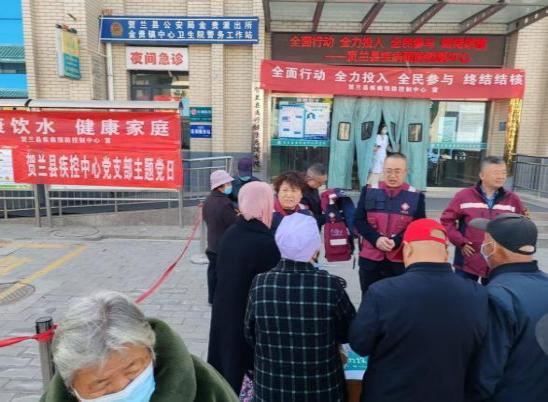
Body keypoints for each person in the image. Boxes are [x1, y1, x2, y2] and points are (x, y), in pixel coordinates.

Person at [349, 219, 488, 402]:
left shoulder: (381, 292)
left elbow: (360, 344)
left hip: (389, 394)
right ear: (446, 252)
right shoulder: (478, 294)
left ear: (407, 249)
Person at [40, 291, 238, 402]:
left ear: (151, 353)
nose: (123, 388)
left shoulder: (206, 386)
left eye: (132, 370)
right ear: (73, 389)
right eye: (101, 384)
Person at [245, 213, 356, 402]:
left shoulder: (260, 283)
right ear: (315, 248)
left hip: (271, 389)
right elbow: (349, 332)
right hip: (322, 390)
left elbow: (250, 334)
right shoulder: (329, 285)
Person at [207, 182, 281, 394]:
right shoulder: (266, 242)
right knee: (242, 371)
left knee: (226, 364)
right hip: (247, 319)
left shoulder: (232, 233)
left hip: (225, 312)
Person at [470, 213, 548, 402]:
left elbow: (485, 372)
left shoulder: (497, 297)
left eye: (486, 241)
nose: (483, 245)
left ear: (494, 247)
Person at [441, 156, 526, 284]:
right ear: (482, 175)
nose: (501, 177)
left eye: (504, 173)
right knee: (464, 294)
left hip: (498, 262)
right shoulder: (464, 196)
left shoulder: (513, 199)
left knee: (495, 295)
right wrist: (460, 242)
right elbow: (446, 221)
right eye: (496, 173)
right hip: (468, 261)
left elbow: (521, 226)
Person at [354, 152, 426, 293]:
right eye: (388, 171)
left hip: (400, 261)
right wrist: (376, 239)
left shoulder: (416, 196)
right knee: (369, 299)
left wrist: (397, 241)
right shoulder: (369, 190)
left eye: (397, 171)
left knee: (399, 301)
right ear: (383, 170)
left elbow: (418, 228)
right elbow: (359, 220)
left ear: (405, 172)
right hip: (370, 260)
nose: (392, 176)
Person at [202, 169, 238, 304]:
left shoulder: (208, 200)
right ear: (220, 186)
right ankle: (221, 299)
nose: (230, 186)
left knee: (212, 271)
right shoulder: (225, 203)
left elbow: (206, 218)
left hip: (211, 243)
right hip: (223, 246)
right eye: (228, 183)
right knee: (223, 274)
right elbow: (233, 224)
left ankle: (211, 298)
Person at [301, 163, 328, 229]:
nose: (322, 184)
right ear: (309, 178)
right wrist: (329, 217)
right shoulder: (300, 193)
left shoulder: (313, 187)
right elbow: (306, 219)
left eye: (324, 182)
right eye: (319, 182)